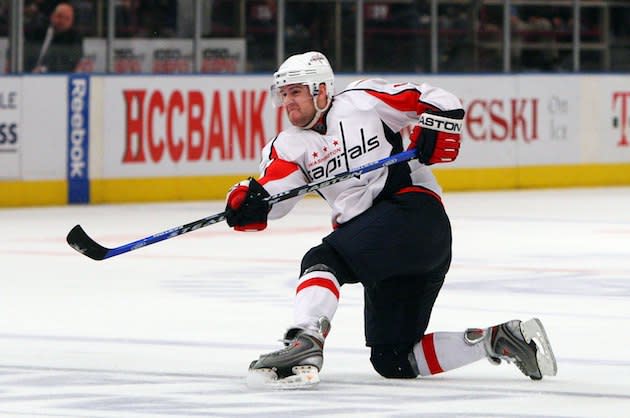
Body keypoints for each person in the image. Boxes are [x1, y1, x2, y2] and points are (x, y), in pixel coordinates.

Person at [224, 51, 557, 388]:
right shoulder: (287, 146)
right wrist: (249, 201)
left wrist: (436, 124)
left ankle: (305, 340)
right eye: (284, 94)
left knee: (323, 259)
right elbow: (276, 194)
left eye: (296, 92)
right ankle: (501, 340)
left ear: (322, 90)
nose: (288, 102)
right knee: (394, 359)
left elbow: (439, 101)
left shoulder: (363, 101)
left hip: (414, 216)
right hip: (385, 248)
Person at [24, 2, 83, 73]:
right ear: (52, 16)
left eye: (67, 19)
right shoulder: (37, 31)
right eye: (59, 16)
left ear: (71, 22)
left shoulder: (74, 38)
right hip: (27, 75)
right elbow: (25, 53)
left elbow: (68, 64)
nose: (62, 21)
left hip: (55, 77)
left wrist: (43, 70)